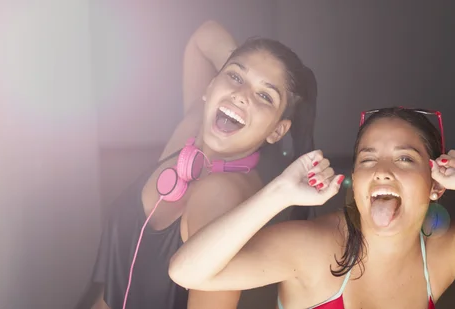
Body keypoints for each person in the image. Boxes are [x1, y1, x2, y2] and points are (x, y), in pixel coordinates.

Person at [168, 107, 455, 309]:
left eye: (406, 159)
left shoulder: (450, 248)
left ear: (436, 186)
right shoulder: (314, 248)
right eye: (368, 159)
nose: (382, 171)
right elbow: (186, 271)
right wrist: (278, 195)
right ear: (355, 180)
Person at [77, 20, 317, 309]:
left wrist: (235, 73)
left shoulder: (222, 196)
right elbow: (204, 37)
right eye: (236, 78)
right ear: (210, 85)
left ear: (277, 131)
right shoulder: (189, 133)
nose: (241, 96)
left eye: (265, 96)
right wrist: (237, 63)